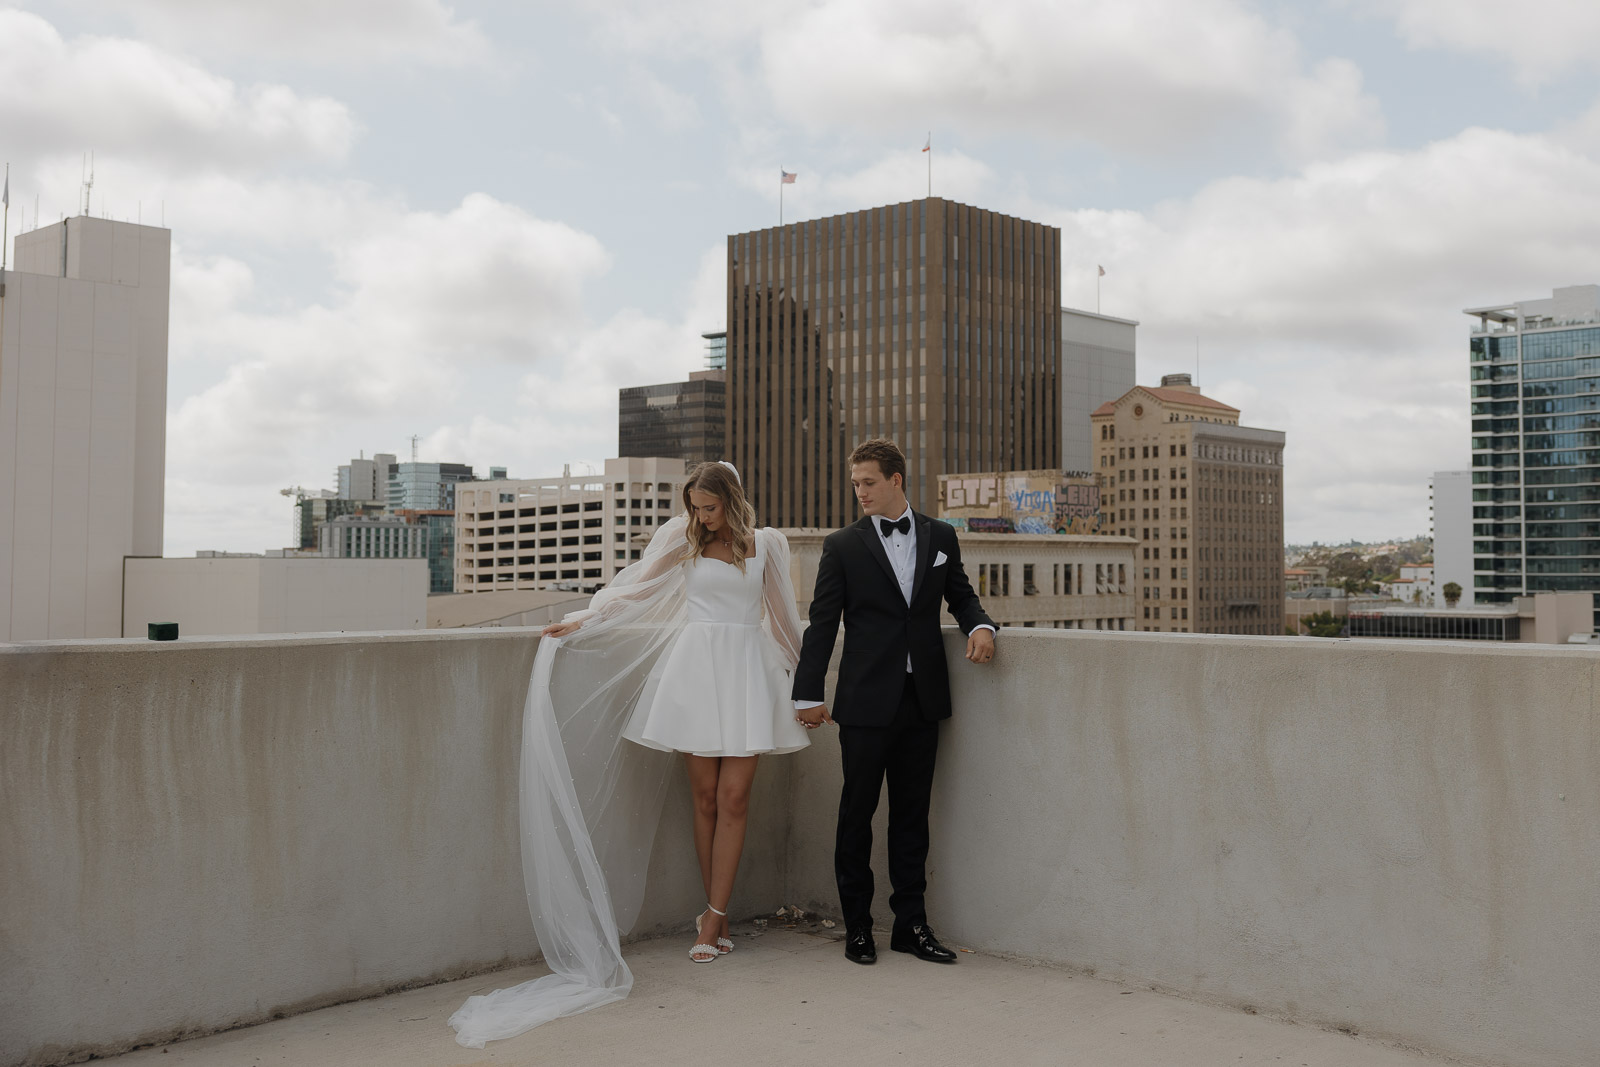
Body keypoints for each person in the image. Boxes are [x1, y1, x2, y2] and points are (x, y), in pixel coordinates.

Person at [448, 460, 808, 1047]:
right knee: (704, 798)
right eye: (694, 507)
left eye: (709, 507)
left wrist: (810, 687)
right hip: (696, 672)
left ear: (731, 501)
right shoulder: (684, 541)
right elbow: (634, 589)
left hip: (748, 672)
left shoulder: (764, 545)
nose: (700, 516)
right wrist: (584, 619)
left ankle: (715, 917)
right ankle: (708, 911)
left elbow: (784, 619)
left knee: (736, 797)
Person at [791, 438, 996, 966]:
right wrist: (808, 693)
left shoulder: (941, 535)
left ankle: (911, 926)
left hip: (921, 699)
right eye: (855, 483)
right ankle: (858, 927)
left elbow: (961, 594)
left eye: (868, 482)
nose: (859, 491)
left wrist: (980, 625)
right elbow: (822, 625)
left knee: (912, 818)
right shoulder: (842, 546)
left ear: (896, 480)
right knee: (856, 816)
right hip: (863, 703)